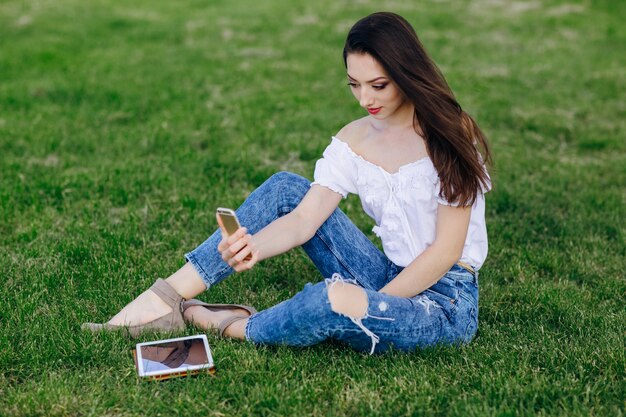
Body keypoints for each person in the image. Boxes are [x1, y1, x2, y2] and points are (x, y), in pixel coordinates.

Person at [83, 11, 492, 354]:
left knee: (329, 302)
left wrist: (374, 303)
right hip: (387, 273)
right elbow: (303, 220)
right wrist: (252, 248)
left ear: (407, 74)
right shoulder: (355, 139)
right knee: (285, 188)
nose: (365, 97)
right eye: (354, 84)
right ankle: (165, 298)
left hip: (444, 302)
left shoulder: (449, 133)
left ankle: (227, 323)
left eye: (378, 85)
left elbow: (444, 252)